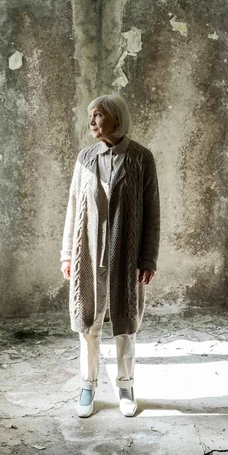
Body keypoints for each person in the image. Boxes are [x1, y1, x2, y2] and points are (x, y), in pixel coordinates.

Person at [60, 94, 160, 418]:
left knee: (125, 325)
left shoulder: (143, 159)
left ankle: (126, 386)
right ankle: (88, 385)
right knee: (87, 325)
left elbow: (152, 214)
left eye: (98, 115)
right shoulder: (84, 158)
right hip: (88, 256)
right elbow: (73, 209)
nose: (92, 121)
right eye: (91, 115)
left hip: (126, 257)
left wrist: (148, 258)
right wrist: (67, 255)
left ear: (117, 119)